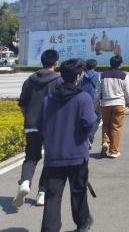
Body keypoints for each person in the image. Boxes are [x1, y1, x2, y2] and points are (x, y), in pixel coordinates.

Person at [39, 58, 97, 232]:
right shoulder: (83, 98)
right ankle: (82, 222)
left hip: (53, 156)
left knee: (52, 196)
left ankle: (49, 229)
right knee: (78, 191)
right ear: (78, 76)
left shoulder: (48, 99)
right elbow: (89, 122)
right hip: (77, 154)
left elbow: (42, 125)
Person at [13, 49, 63, 208]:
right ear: (56, 63)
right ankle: (42, 192)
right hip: (52, 127)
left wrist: (28, 118)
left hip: (31, 125)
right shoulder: (59, 81)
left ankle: (25, 182)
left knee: (31, 157)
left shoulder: (29, 80)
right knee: (50, 159)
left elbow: (22, 104)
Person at [95, 55, 129, 158]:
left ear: (110, 64)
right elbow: (127, 91)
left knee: (106, 124)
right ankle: (114, 151)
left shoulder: (102, 75)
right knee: (116, 127)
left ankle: (105, 142)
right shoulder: (124, 76)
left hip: (105, 104)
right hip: (118, 104)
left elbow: (97, 91)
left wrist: (96, 105)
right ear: (121, 64)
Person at [80, 59, 101, 147]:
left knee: (83, 120)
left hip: (82, 100)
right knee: (96, 119)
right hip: (95, 101)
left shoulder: (81, 76)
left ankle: (83, 138)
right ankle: (89, 137)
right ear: (95, 66)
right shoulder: (99, 75)